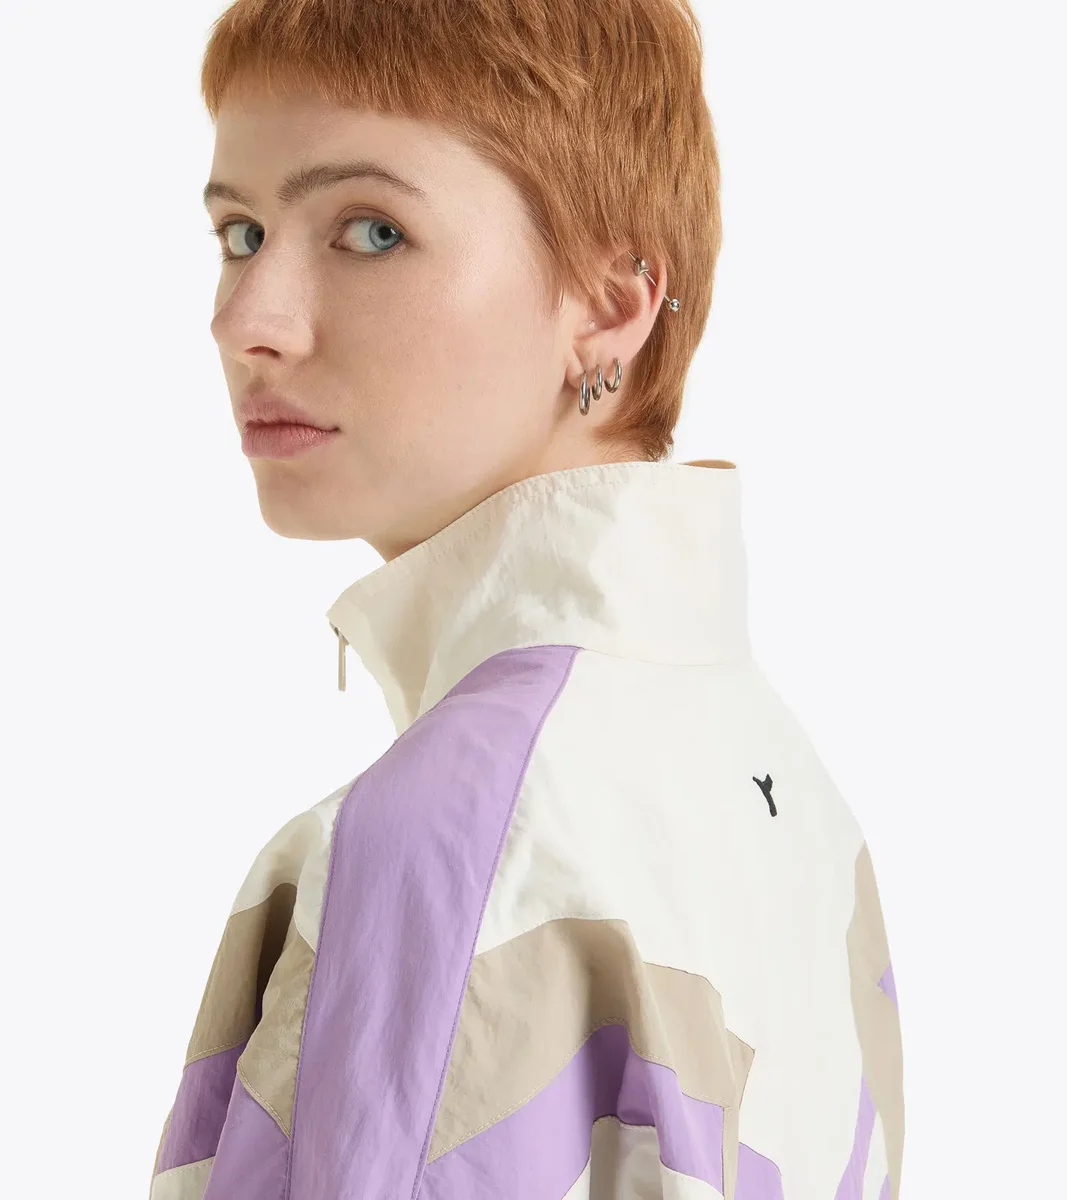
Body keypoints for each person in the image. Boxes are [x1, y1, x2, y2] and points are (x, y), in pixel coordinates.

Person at [150, 1, 905, 1197]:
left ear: (607, 305)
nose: (246, 322)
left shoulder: (439, 840)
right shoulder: (781, 780)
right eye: (240, 234)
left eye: (370, 231)